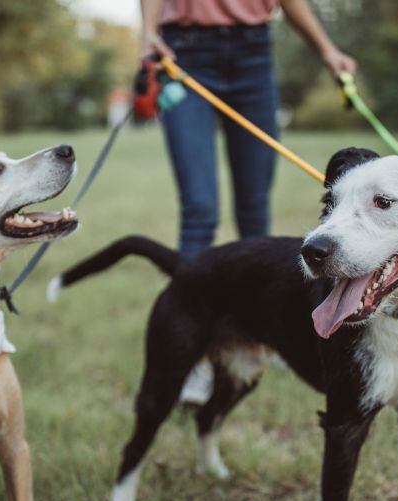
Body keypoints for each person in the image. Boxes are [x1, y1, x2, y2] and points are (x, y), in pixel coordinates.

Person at [140, 0, 356, 403]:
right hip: (183, 53)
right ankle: (193, 353)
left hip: (253, 53)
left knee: (254, 210)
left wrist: (327, 50)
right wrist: (148, 30)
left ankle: (262, 333)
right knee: (200, 209)